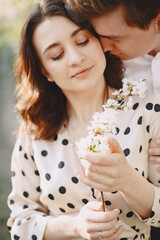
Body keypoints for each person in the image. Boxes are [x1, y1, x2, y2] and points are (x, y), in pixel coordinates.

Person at [7, 0, 160, 240]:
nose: (75, 58)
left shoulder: (150, 112)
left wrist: (128, 181)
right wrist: (75, 225)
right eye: (56, 56)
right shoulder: (35, 131)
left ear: (101, 43)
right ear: (45, 71)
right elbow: (19, 222)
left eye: (82, 41)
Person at [67, 0, 160, 166]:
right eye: (100, 36)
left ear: (158, 22)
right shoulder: (100, 65)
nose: (103, 47)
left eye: (114, 38)